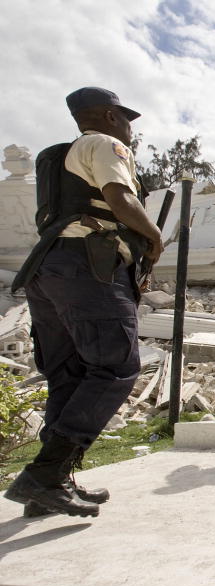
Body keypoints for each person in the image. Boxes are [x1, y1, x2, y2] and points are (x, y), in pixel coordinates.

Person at [4, 87, 163, 518]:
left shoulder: (60, 159)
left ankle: (49, 488)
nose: (131, 128)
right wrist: (153, 238)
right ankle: (46, 475)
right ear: (110, 117)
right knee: (116, 366)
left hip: (49, 271)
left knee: (69, 375)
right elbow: (120, 198)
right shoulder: (104, 144)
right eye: (127, 118)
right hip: (88, 268)